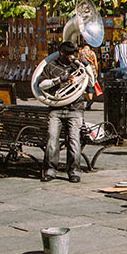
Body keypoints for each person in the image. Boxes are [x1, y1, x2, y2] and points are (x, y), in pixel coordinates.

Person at [38, 41, 90, 183]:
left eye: (73, 54)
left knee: (74, 141)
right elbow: (41, 84)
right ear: (61, 54)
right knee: (52, 139)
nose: (71, 57)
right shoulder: (50, 67)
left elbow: (91, 81)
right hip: (56, 108)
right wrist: (60, 80)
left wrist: (86, 64)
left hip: (75, 108)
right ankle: (50, 170)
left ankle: (74, 171)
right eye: (68, 54)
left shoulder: (77, 66)